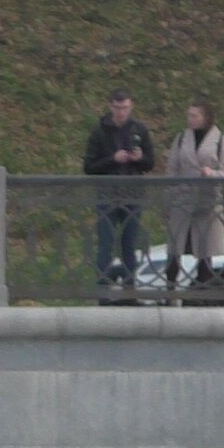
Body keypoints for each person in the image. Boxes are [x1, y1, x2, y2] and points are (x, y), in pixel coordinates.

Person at [83, 89, 155, 303]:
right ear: (110, 107)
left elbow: (150, 163)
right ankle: (103, 292)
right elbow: (89, 166)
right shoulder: (100, 132)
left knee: (129, 244)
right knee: (105, 243)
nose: (121, 112)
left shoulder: (140, 130)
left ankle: (129, 290)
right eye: (117, 108)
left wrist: (139, 158)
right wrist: (112, 159)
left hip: (132, 194)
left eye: (124, 108)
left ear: (131, 106)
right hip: (107, 194)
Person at [164, 98, 224, 301]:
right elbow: (172, 170)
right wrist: (170, 198)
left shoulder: (220, 139)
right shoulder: (181, 138)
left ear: (205, 117)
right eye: (189, 115)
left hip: (207, 202)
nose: (190, 119)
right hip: (182, 201)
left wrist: (211, 173)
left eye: (194, 115)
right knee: (174, 250)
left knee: (205, 253)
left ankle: (201, 298)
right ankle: (170, 295)